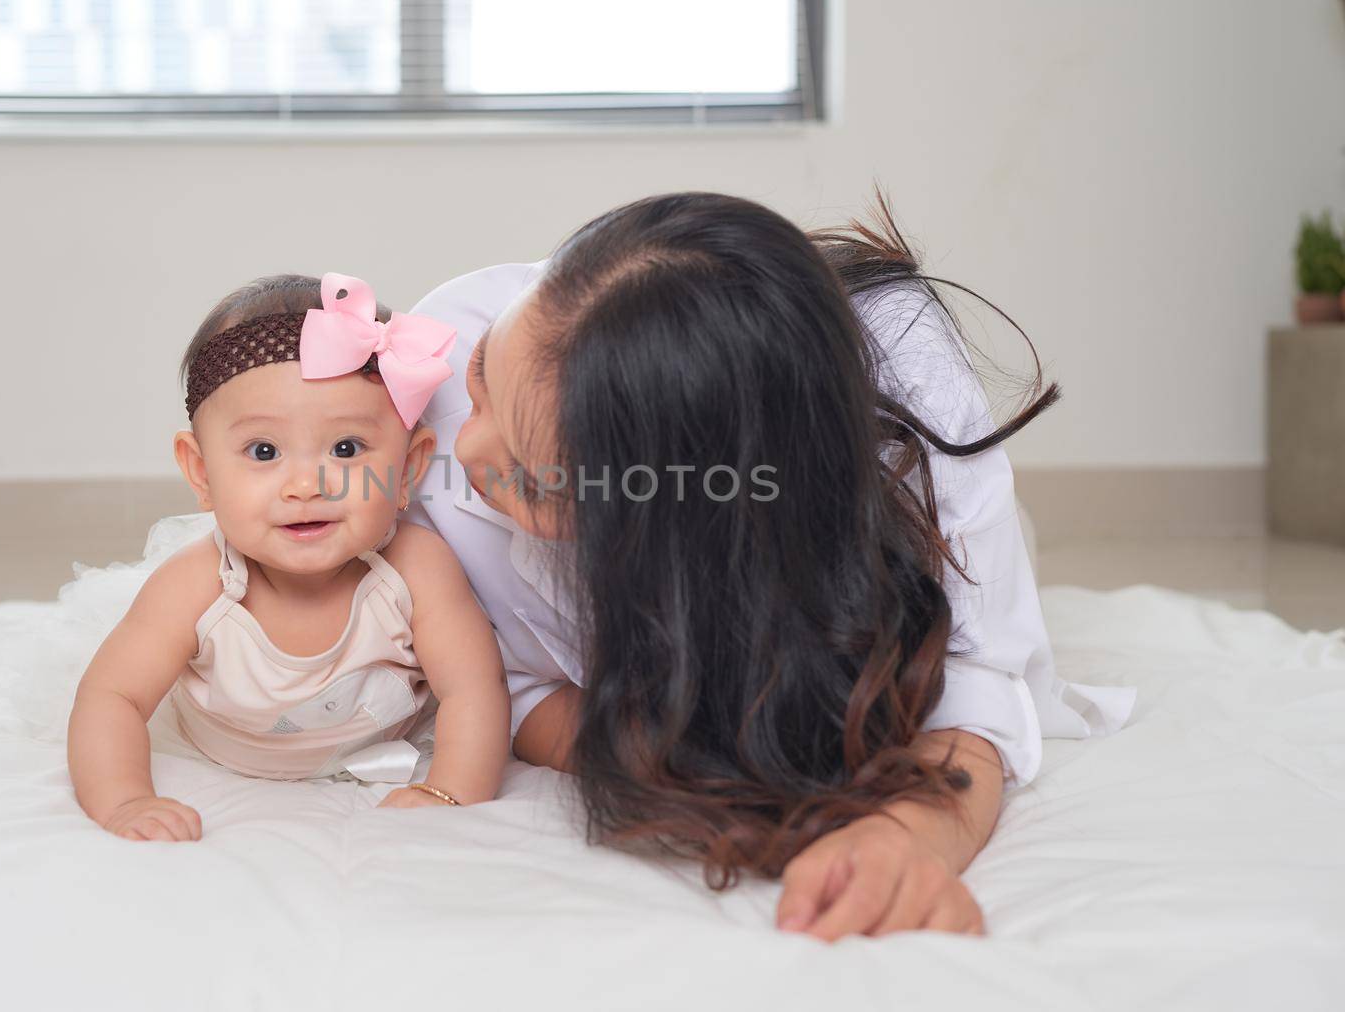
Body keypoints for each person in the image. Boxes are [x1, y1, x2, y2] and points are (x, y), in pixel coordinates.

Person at [402, 192, 1135, 938]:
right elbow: (510, 681)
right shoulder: (447, 346)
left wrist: (907, 837)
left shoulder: (908, 375)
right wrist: (693, 780)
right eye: (484, 380)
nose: (463, 454)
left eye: (534, 483)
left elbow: (978, 675)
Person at [67, 273, 510, 840]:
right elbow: (113, 697)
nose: (306, 484)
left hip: (386, 752)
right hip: (220, 753)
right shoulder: (197, 586)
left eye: (346, 449)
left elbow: (475, 687)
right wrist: (125, 800)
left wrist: (447, 791)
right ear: (201, 473)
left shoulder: (417, 569)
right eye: (264, 451)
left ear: (408, 469)